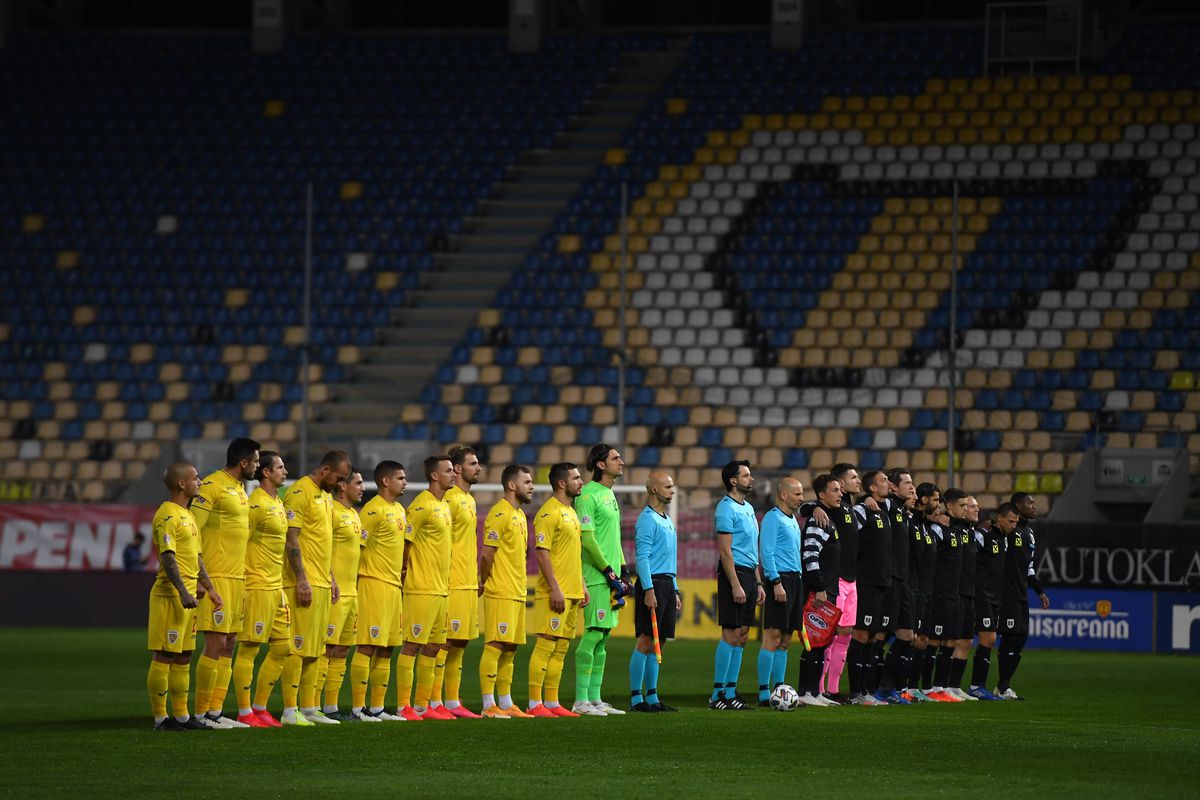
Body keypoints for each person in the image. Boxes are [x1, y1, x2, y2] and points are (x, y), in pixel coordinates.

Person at [146, 462, 221, 731]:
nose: (199, 482)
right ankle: (160, 718)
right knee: (165, 655)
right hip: (170, 596)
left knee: (184, 656)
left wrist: (209, 588)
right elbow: (168, 557)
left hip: (189, 597)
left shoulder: (187, 515)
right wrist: (182, 591)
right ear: (181, 484)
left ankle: (181, 716)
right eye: (195, 478)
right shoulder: (167, 515)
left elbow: (196, 557)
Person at [191, 437, 259, 729]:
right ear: (243, 462)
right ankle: (200, 713)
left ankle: (216, 712)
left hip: (237, 578)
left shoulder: (240, 489)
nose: (258, 465)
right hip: (216, 577)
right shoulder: (212, 486)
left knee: (229, 644)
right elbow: (192, 530)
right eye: (256, 461)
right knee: (215, 644)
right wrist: (199, 578)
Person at [280, 450, 350, 725]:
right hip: (305, 582)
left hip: (322, 581)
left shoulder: (325, 497)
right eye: (339, 477)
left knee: (315, 649)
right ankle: (289, 710)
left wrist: (330, 577)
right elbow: (291, 539)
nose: (341, 484)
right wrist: (301, 579)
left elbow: (323, 543)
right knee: (297, 648)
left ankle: (308, 709)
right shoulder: (300, 492)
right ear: (325, 470)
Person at [233, 451, 291, 727]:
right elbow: (242, 541)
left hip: (276, 585)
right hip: (257, 585)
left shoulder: (276, 502)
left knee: (283, 646)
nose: (285, 471)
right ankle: (245, 712)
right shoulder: (255, 504)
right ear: (265, 472)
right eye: (280, 467)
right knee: (250, 648)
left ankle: (260, 707)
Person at [397, 455, 456, 721]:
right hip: (421, 588)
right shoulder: (421, 506)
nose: (454, 474)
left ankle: (422, 705)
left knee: (434, 646)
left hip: (441, 589)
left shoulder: (443, 505)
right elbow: (405, 543)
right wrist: (404, 572)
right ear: (435, 476)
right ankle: (402, 705)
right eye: (448, 470)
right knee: (412, 646)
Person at [527, 461, 589, 717]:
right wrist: (555, 589)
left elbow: (572, 554)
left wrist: (582, 585)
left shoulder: (571, 512)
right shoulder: (548, 513)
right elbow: (542, 554)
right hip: (555, 592)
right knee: (546, 644)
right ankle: (534, 703)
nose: (581, 481)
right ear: (562, 483)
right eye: (576, 478)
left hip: (573, 591)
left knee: (561, 647)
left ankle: (551, 702)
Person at [574, 443, 631, 717]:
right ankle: (580, 700)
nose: (621, 461)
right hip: (596, 577)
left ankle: (595, 699)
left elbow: (613, 539)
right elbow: (588, 539)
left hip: (611, 576)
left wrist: (624, 570)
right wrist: (609, 572)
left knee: (604, 637)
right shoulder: (587, 495)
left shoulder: (609, 494)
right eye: (615, 458)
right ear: (600, 464)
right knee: (593, 633)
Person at [350, 460, 408, 722]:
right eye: (400, 478)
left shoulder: (399, 509)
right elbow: (357, 549)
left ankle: (377, 708)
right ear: (386, 481)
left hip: (394, 587)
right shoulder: (372, 511)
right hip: (373, 584)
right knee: (367, 646)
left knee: (387, 648)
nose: (405, 482)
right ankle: (357, 708)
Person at [478, 464, 536, 719]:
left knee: (511, 647)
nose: (532, 486)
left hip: (517, 591)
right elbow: (486, 554)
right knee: (495, 644)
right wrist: (484, 580)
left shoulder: (520, 515)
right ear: (512, 485)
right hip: (500, 590)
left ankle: (505, 702)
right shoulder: (499, 514)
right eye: (527, 482)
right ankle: (488, 704)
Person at [710, 459, 763, 711]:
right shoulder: (725, 508)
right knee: (730, 632)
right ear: (733, 480)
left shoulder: (749, 508)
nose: (751, 479)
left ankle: (731, 691)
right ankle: (717, 693)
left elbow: (752, 548)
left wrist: (759, 582)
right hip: (735, 575)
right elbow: (725, 550)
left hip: (750, 576)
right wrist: (735, 584)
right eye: (746, 475)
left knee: (742, 635)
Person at [437, 445, 485, 718]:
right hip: (452, 581)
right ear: (457, 469)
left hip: (467, 580)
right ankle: (433, 701)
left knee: (460, 642)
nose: (478, 468)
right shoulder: (451, 499)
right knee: (444, 641)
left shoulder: (469, 499)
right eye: (472, 464)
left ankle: (452, 702)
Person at [629, 470, 681, 713]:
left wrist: (676, 589)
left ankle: (652, 696)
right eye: (668, 487)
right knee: (646, 640)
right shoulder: (647, 519)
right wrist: (648, 589)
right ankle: (636, 698)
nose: (672, 490)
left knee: (660, 642)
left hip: (667, 584)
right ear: (654, 489)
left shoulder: (666, 519)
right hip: (653, 585)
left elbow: (668, 558)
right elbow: (642, 558)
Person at [319, 469, 365, 721]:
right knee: (326, 649)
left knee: (341, 651)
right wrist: (331, 578)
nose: (362, 487)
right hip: (335, 592)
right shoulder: (332, 512)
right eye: (357, 483)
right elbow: (319, 548)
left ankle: (331, 708)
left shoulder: (354, 515)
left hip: (352, 593)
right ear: (342, 486)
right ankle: (310, 707)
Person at [996, 492, 1051, 700]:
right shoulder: (1006, 531)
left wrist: (1040, 591)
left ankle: (1004, 686)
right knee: (1009, 638)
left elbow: (1028, 568)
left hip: (1021, 594)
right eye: (1030, 502)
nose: (1034, 506)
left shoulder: (1029, 534)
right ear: (1018, 505)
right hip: (1006, 594)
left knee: (1020, 639)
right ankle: (1001, 687)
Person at [756, 477, 805, 707]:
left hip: (795, 580)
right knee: (773, 636)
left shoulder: (794, 520)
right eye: (797, 493)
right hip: (780, 579)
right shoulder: (772, 518)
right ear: (783, 495)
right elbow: (767, 552)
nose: (801, 497)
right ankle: (764, 692)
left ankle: (779, 689)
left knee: (786, 639)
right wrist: (775, 581)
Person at [798, 474, 843, 706]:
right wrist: (819, 587)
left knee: (821, 642)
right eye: (835, 490)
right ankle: (806, 692)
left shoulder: (827, 518)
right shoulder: (820, 521)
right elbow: (809, 554)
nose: (840, 494)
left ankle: (814, 692)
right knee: (813, 643)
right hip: (820, 589)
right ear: (822, 495)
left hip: (828, 588)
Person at [848, 470, 892, 706]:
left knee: (875, 636)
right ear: (872, 488)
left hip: (883, 582)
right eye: (884, 480)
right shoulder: (862, 510)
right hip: (866, 581)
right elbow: (847, 536)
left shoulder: (884, 512)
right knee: (862, 634)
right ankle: (857, 692)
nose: (889, 483)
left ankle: (868, 690)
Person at [820, 462, 860, 700]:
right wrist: (812, 508)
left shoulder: (851, 508)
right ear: (841, 483)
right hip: (836, 580)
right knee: (828, 635)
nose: (858, 480)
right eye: (854, 477)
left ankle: (833, 690)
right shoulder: (833, 506)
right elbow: (810, 505)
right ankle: (819, 688)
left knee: (845, 633)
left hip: (852, 580)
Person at [876, 467, 916, 703]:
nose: (912, 487)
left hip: (904, 582)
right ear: (892, 486)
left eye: (912, 483)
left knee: (906, 636)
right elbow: (859, 507)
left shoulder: (904, 511)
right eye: (907, 483)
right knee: (879, 635)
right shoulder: (887, 506)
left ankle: (888, 686)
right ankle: (874, 688)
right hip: (889, 581)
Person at [926, 488, 968, 703]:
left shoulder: (958, 530)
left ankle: (940, 685)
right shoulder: (938, 529)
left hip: (955, 594)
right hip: (939, 593)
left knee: (951, 640)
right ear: (949, 506)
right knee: (933, 640)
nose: (966, 509)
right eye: (962, 506)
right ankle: (926, 687)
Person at [967, 503, 1013, 701]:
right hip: (981, 595)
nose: (1013, 525)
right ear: (999, 518)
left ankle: (975, 685)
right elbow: (968, 553)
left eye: (1016, 522)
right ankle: (976, 685)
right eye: (1010, 521)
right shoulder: (983, 534)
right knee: (988, 638)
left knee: (984, 640)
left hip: (995, 597)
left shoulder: (1004, 539)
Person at [905, 483, 941, 702]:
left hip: (926, 591)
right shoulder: (911, 523)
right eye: (936, 500)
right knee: (910, 638)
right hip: (912, 589)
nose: (938, 506)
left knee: (922, 640)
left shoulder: (928, 528)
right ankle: (902, 686)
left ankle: (912, 686)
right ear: (924, 499)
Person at [946, 495, 982, 701]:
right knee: (951, 640)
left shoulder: (972, 533)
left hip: (970, 592)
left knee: (967, 641)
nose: (976, 509)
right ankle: (942, 684)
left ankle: (955, 686)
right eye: (971, 506)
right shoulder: (952, 530)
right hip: (955, 592)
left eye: (977, 506)